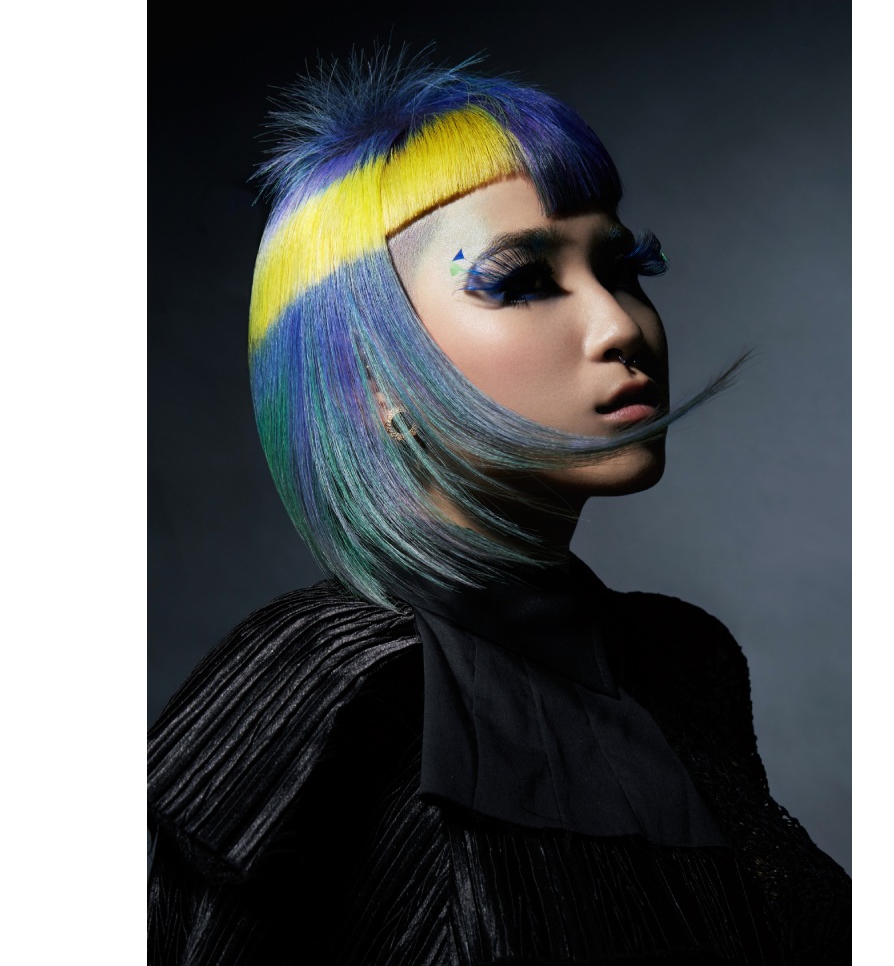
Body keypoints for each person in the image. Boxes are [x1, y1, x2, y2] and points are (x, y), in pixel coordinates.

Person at [147, 47, 850, 965]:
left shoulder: (682, 664)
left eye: (624, 268)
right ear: (375, 378)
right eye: (520, 282)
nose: (622, 326)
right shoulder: (332, 682)